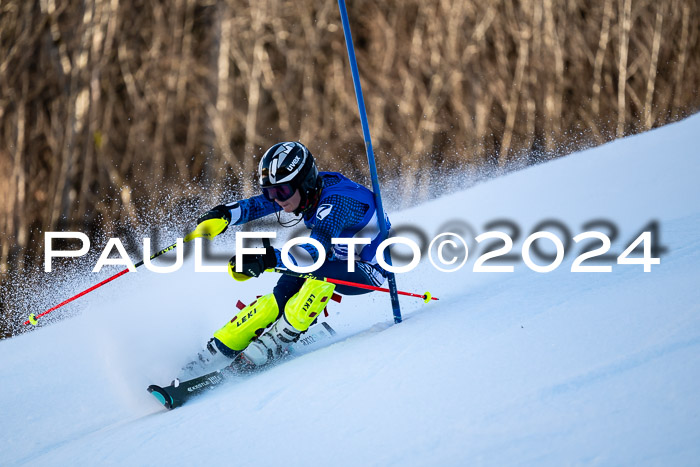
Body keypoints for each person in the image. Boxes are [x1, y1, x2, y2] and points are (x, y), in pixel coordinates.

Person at [192, 141, 390, 370]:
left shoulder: (336, 203)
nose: (277, 199)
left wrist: (267, 259)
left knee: (317, 275)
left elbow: (313, 253)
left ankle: (279, 338)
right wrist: (225, 214)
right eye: (270, 192)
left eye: (282, 191)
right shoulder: (309, 189)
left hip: (367, 270)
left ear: (304, 183)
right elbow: (259, 206)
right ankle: (218, 348)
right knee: (280, 297)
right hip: (333, 258)